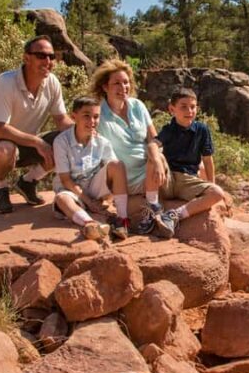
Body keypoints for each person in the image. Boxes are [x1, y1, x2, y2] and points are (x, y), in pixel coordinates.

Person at [0, 35, 73, 214]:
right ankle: (0, 188)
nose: (48, 61)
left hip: (26, 144)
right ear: (26, 58)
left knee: (66, 141)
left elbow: (61, 119)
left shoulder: (52, 83)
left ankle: (28, 182)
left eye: (52, 56)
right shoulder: (6, 82)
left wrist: (82, 132)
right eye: (41, 56)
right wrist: (38, 142)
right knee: (6, 148)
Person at [90, 59, 168, 234]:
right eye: (116, 83)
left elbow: (153, 138)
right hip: (121, 181)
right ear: (104, 87)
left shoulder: (137, 106)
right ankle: (131, 215)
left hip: (149, 173)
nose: (123, 87)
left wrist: (156, 158)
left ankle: (152, 206)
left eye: (125, 82)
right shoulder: (99, 114)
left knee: (156, 154)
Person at [52, 97, 130, 241]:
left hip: (93, 187)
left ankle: (122, 220)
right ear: (74, 116)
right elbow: (65, 180)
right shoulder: (61, 141)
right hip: (71, 190)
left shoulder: (102, 142)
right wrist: (88, 202)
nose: (92, 121)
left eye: (96, 117)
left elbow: (114, 172)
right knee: (61, 199)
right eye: (86, 116)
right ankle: (91, 225)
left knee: (118, 165)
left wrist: (108, 199)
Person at [153, 87, 225, 238]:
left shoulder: (202, 130)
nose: (189, 111)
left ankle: (174, 215)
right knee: (156, 156)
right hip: (168, 179)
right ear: (172, 109)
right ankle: (152, 208)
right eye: (183, 107)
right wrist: (157, 160)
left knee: (217, 193)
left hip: (188, 180)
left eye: (192, 107)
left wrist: (211, 184)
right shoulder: (168, 129)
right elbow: (153, 144)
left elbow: (207, 159)